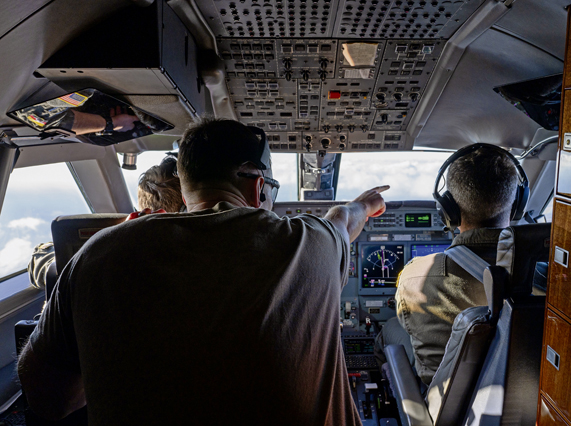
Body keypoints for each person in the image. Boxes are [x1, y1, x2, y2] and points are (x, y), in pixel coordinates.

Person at [18, 117, 389, 426]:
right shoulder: (312, 241)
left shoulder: (97, 253)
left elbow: (47, 400)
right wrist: (366, 204)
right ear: (259, 187)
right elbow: (344, 219)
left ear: (184, 184)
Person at [376, 143, 525, 386]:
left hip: (447, 406)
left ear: (449, 211)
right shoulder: (544, 273)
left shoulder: (415, 277)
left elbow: (408, 324)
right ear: (518, 203)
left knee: (391, 326)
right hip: (523, 398)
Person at [27, 153, 185, 290]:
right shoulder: (188, 249)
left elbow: (41, 263)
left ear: (142, 207)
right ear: (185, 202)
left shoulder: (102, 250)